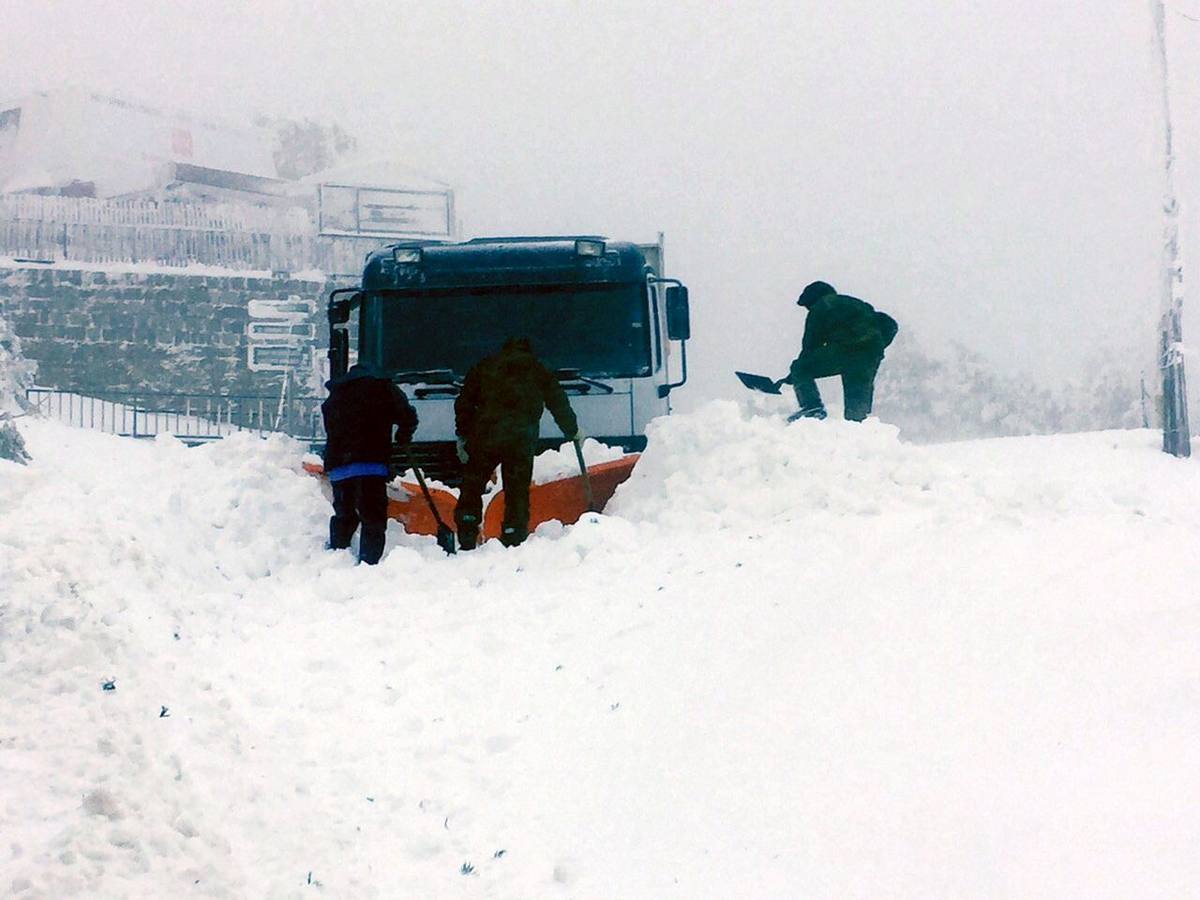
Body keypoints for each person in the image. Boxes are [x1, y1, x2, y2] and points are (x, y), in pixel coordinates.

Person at [453, 337, 581, 549]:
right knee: (517, 491)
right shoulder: (537, 369)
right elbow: (558, 402)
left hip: (485, 437)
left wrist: (463, 434)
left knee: (472, 486)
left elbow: (464, 403)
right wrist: (572, 430)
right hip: (520, 441)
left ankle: (467, 530)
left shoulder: (485, 367)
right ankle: (513, 534)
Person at [321, 362, 418, 565]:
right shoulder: (383, 388)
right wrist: (403, 435)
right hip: (370, 464)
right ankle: (369, 564)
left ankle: (337, 556)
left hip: (339, 466)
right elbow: (407, 416)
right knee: (372, 516)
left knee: (344, 514)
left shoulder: (335, 395)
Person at [781, 280, 898, 422]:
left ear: (813, 299)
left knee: (800, 367)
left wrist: (796, 375)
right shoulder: (858, 304)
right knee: (856, 405)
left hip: (846, 349)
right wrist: (875, 347)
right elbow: (889, 324)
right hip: (870, 354)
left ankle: (812, 407)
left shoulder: (821, 306)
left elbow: (811, 345)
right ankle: (858, 427)